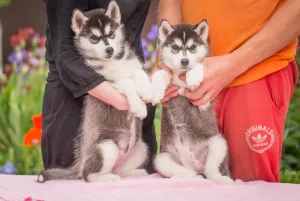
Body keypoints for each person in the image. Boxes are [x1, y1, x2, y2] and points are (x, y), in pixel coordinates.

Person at [155, 0, 300, 182]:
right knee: (183, 184)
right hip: (187, 79)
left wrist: (234, 64)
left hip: (255, 71)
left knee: (252, 188)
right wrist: (167, 61)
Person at [42, 0, 157, 173]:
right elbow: (65, 55)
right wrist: (127, 99)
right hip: (79, 110)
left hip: (135, 113)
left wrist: (144, 82)